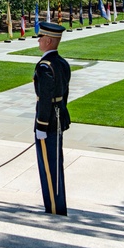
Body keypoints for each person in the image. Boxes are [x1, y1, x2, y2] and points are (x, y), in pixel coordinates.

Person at [33, 21, 71, 215]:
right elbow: (64, 95)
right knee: (56, 165)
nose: (39, 41)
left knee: (49, 168)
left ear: (48, 41)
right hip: (59, 119)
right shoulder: (62, 63)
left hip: (47, 124)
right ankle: (57, 206)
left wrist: (41, 125)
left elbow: (45, 99)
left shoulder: (45, 67)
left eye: (41, 37)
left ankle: (55, 209)